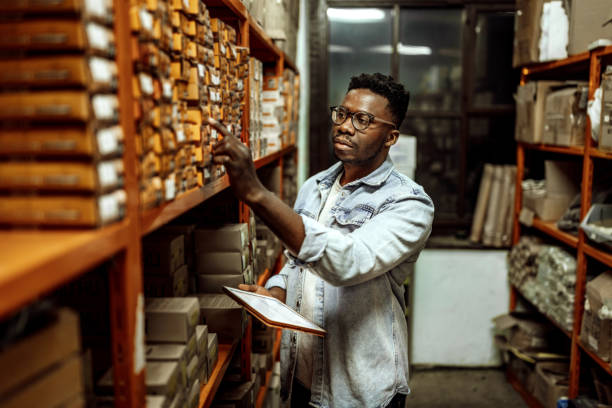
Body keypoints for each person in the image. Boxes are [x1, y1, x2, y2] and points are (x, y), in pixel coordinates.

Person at [209, 72, 434, 408]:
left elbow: (348, 261)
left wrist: (256, 193)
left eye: (363, 120)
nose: (345, 126)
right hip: (303, 375)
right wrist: (275, 293)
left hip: (360, 389)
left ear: (391, 137)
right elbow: (296, 263)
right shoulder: (316, 186)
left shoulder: (409, 204)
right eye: (342, 114)